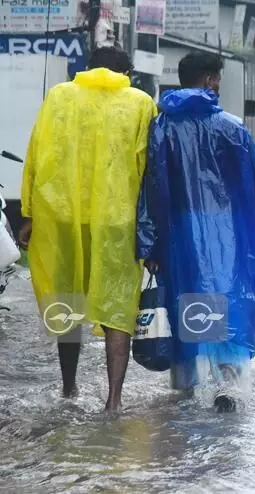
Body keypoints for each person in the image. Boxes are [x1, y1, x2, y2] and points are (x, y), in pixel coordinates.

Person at [18, 46, 157, 411]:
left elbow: (37, 154)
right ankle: (113, 401)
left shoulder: (59, 96)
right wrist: (153, 231)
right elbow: (149, 169)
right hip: (117, 219)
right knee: (118, 305)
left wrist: (30, 215)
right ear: (126, 71)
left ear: (87, 67)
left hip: (63, 215)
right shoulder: (141, 103)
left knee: (67, 298)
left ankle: (68, 389)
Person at [136, 52, 255, 412]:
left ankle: (189, 390)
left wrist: (149, 244)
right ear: (211, 80)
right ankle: (229, 384)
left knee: (189, 301)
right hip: (231, 233)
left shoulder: (163, 127)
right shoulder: (232, 127)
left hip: (181, 233)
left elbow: (152, 187)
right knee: (229, 299)